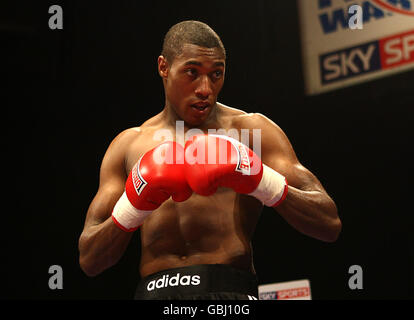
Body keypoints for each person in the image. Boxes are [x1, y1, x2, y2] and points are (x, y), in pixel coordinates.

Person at [78, 20, 341, 300]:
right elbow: (90, 260)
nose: (205, 88)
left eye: (216, 74)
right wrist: (132, 207)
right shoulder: (128, 145)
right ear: (163, 67)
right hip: (154, 294)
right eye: (192, 72)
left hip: (230, 292)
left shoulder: (251, 132)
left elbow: (329, 224)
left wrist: (263, 180)